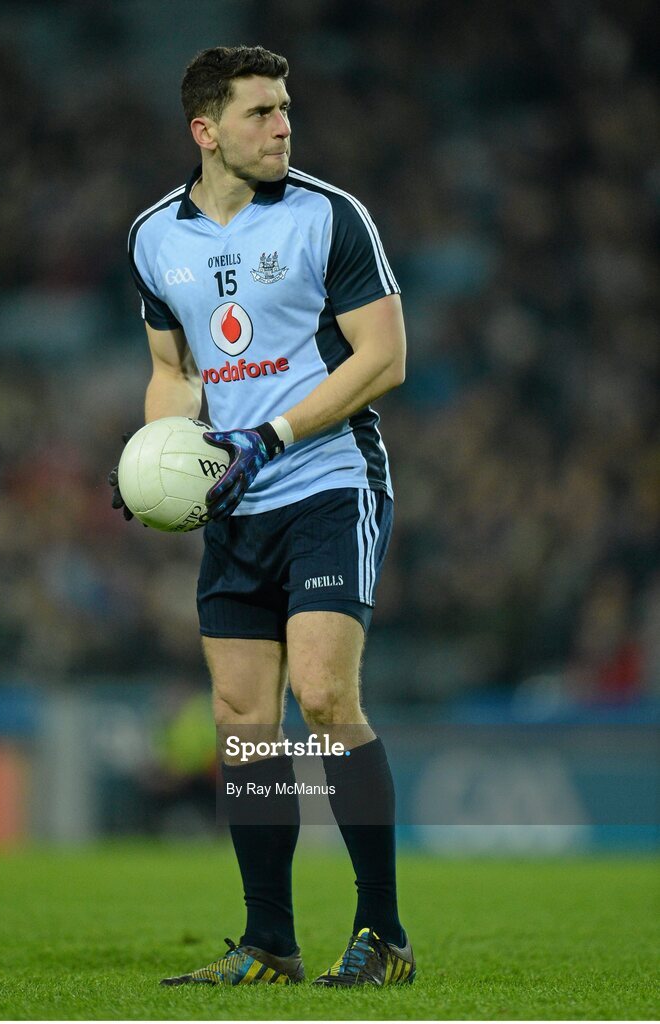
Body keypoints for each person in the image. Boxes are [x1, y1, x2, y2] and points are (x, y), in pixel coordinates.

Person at [109, 44, 413, 988]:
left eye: (285, 109)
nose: (283, 125)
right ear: (206, 131)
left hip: (328, 478)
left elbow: (384, 358)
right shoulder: (153, 238)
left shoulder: (331, 215)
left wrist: (272, 436)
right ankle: (269, 943)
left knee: (322, 696)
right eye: (260, 113)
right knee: (243, 718)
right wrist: (159, 460)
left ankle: (383, 936)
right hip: (235, 496)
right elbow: (175, 374)